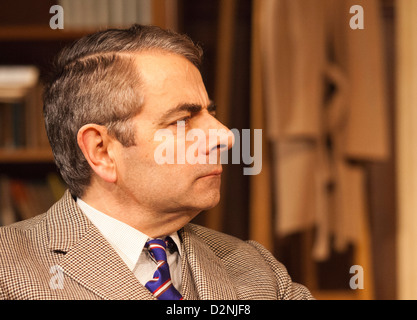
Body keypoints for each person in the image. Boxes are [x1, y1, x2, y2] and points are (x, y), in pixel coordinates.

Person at [0, 24, 313, 300]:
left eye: (210, 113)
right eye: (182, 120)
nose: (225, 137)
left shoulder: (258, 268)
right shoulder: (7, 273)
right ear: (101, 150)